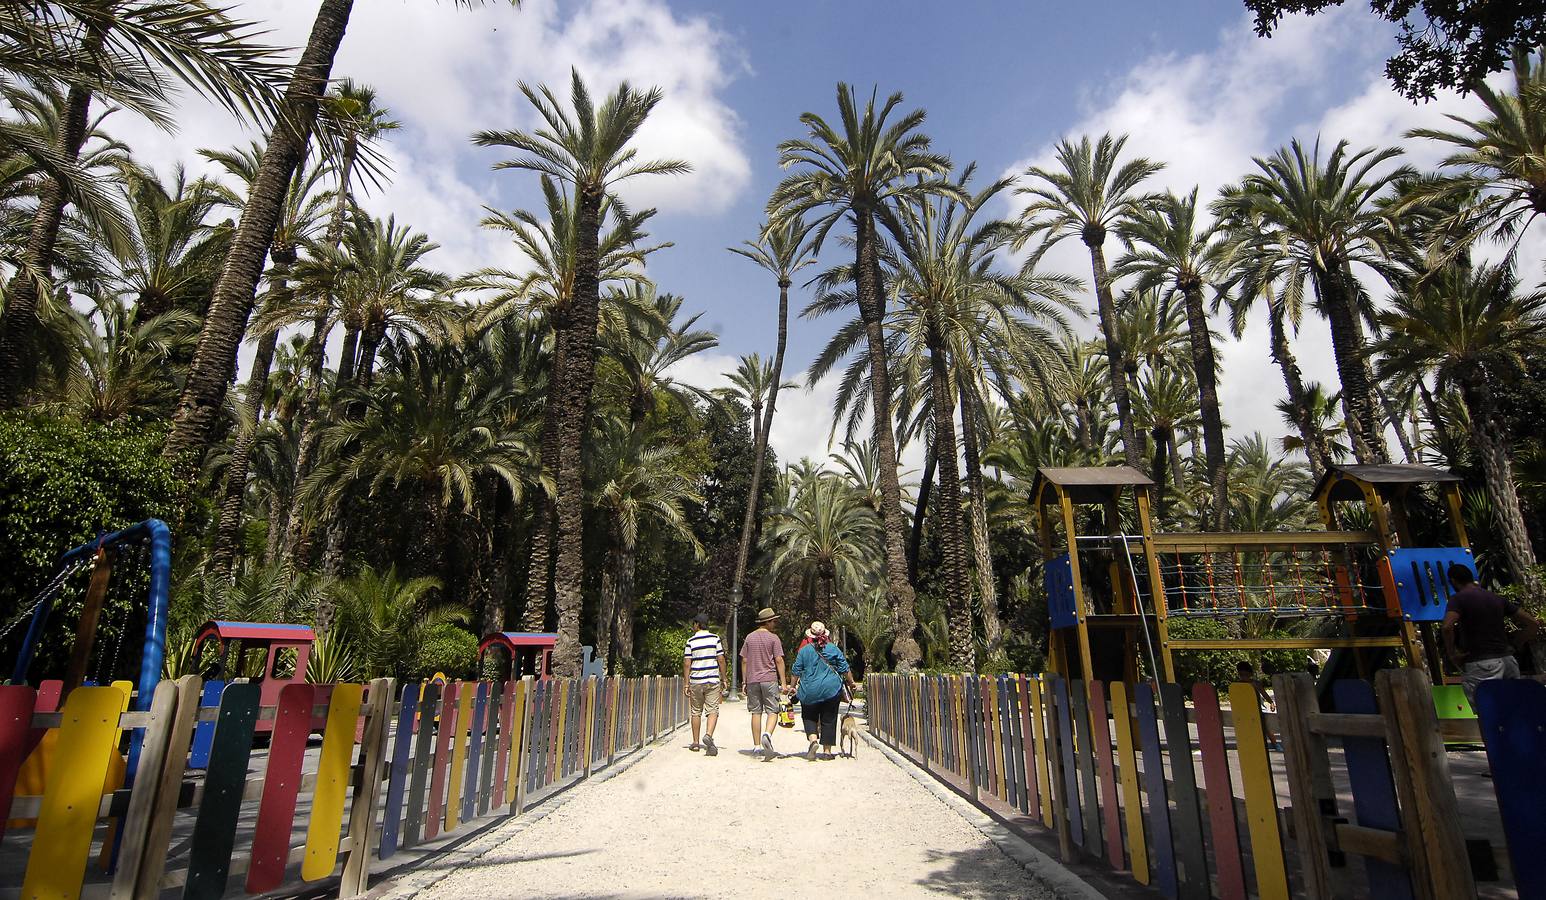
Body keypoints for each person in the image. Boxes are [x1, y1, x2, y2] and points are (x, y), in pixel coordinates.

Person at [1443, 563, 1539, 703]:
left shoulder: (1458, 599)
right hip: (1508, 661)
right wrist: (1517, 642)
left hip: (1481, 663)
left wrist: (1452, 654)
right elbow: (1533, 623)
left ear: (1453, 581)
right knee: (1514, 708)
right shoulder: (1496, 598)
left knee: (1487, 712)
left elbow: (1447, 626)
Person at [790, 621, 856, 761]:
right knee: (829, 719)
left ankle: (813, 740)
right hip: (831, 690)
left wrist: (792, 686)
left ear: (810, 635)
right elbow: (844, 667)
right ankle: (827, 752)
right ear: (825, 635)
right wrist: (851, 683)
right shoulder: (833, 649)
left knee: (808, 716)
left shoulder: (804, 651)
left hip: (809, 690)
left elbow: (796, 670)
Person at [739, 607, 788, 758]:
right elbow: (779, 660)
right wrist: (784, 683)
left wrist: (744, 681)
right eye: (773, 621)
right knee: (773, 710)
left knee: (756, 712)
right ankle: (767, 734)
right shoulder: (774, 638)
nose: (775, 624)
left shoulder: (749, 638)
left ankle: (756, 747)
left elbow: (744, 660)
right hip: (769, 679)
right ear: (767, 622)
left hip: (753, 679)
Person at [682, 613, 726, 756]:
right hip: (712, 679)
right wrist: (724, 678)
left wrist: (686, 684)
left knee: (696, 711)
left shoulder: (690, 641)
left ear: (697, 624)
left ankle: (695, 742)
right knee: (712, 710)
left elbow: (687, 663)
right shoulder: (715, 639)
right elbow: (721, 659)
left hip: (696, 680)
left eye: (694, 624)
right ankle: (708, 734)